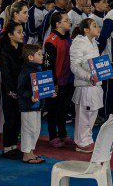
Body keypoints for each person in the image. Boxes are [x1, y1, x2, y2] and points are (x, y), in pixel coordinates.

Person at [70, 18, 104, 153]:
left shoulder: (94, 44)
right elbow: (74, 66)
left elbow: (97, 65)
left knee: (92, 116)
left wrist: (105, 73)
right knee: (84, 116)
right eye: (94, 26)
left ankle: (88, 139)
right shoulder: (79, 43)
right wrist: (88, 77)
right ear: (86, 30)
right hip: (85, 85)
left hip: (95, 85)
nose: (98, 28)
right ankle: (81, 142)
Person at [44, 12, 74, 148]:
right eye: (66, 20)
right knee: (53, 110)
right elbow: (48, 65)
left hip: (68, 80)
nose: (69, 22)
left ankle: (62, 133)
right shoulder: (51, 40)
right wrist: (53, 83)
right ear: (58, 24)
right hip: (56, 82)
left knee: (64, 109)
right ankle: (52, 136)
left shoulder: (68, 39)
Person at [0, 21, 25, 159]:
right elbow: (6, 73)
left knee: (18, 118)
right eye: (18, 32)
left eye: (22, 32)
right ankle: (7, 147)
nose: (22, 35)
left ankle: (14, 145)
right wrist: (12, 90)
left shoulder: (21, 49)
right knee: (10, 118)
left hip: (20, 89)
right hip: (10, 90)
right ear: (10, 34)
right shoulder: (4, 51)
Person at [17, 44, 45, 164]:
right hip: (28, 106)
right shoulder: (26, 71)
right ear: (30, 57)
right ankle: (26, 154)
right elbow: (21, 89)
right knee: (28, 129)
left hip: (37, 106)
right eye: (39, 54)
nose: (42, 56)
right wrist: (30, 96)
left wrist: (49, 92)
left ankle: (31, 151)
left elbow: (41, 87)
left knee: (36, 129)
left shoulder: (38, 70)